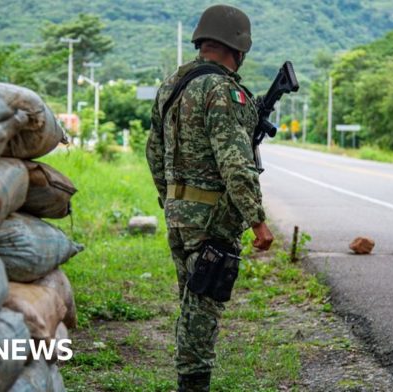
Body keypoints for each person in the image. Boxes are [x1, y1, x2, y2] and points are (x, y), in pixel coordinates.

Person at [145, 4, 274, 391]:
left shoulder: (172, 83)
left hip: (178, 211)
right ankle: (193, 384)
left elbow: (154, 150)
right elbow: (236, 162)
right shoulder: (221, 89)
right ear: (238, 47)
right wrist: (257, 219)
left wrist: (168, 197)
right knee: (203, 308)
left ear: (203, 40)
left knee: (192, 299)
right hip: (212, 218)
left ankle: (190, 377)